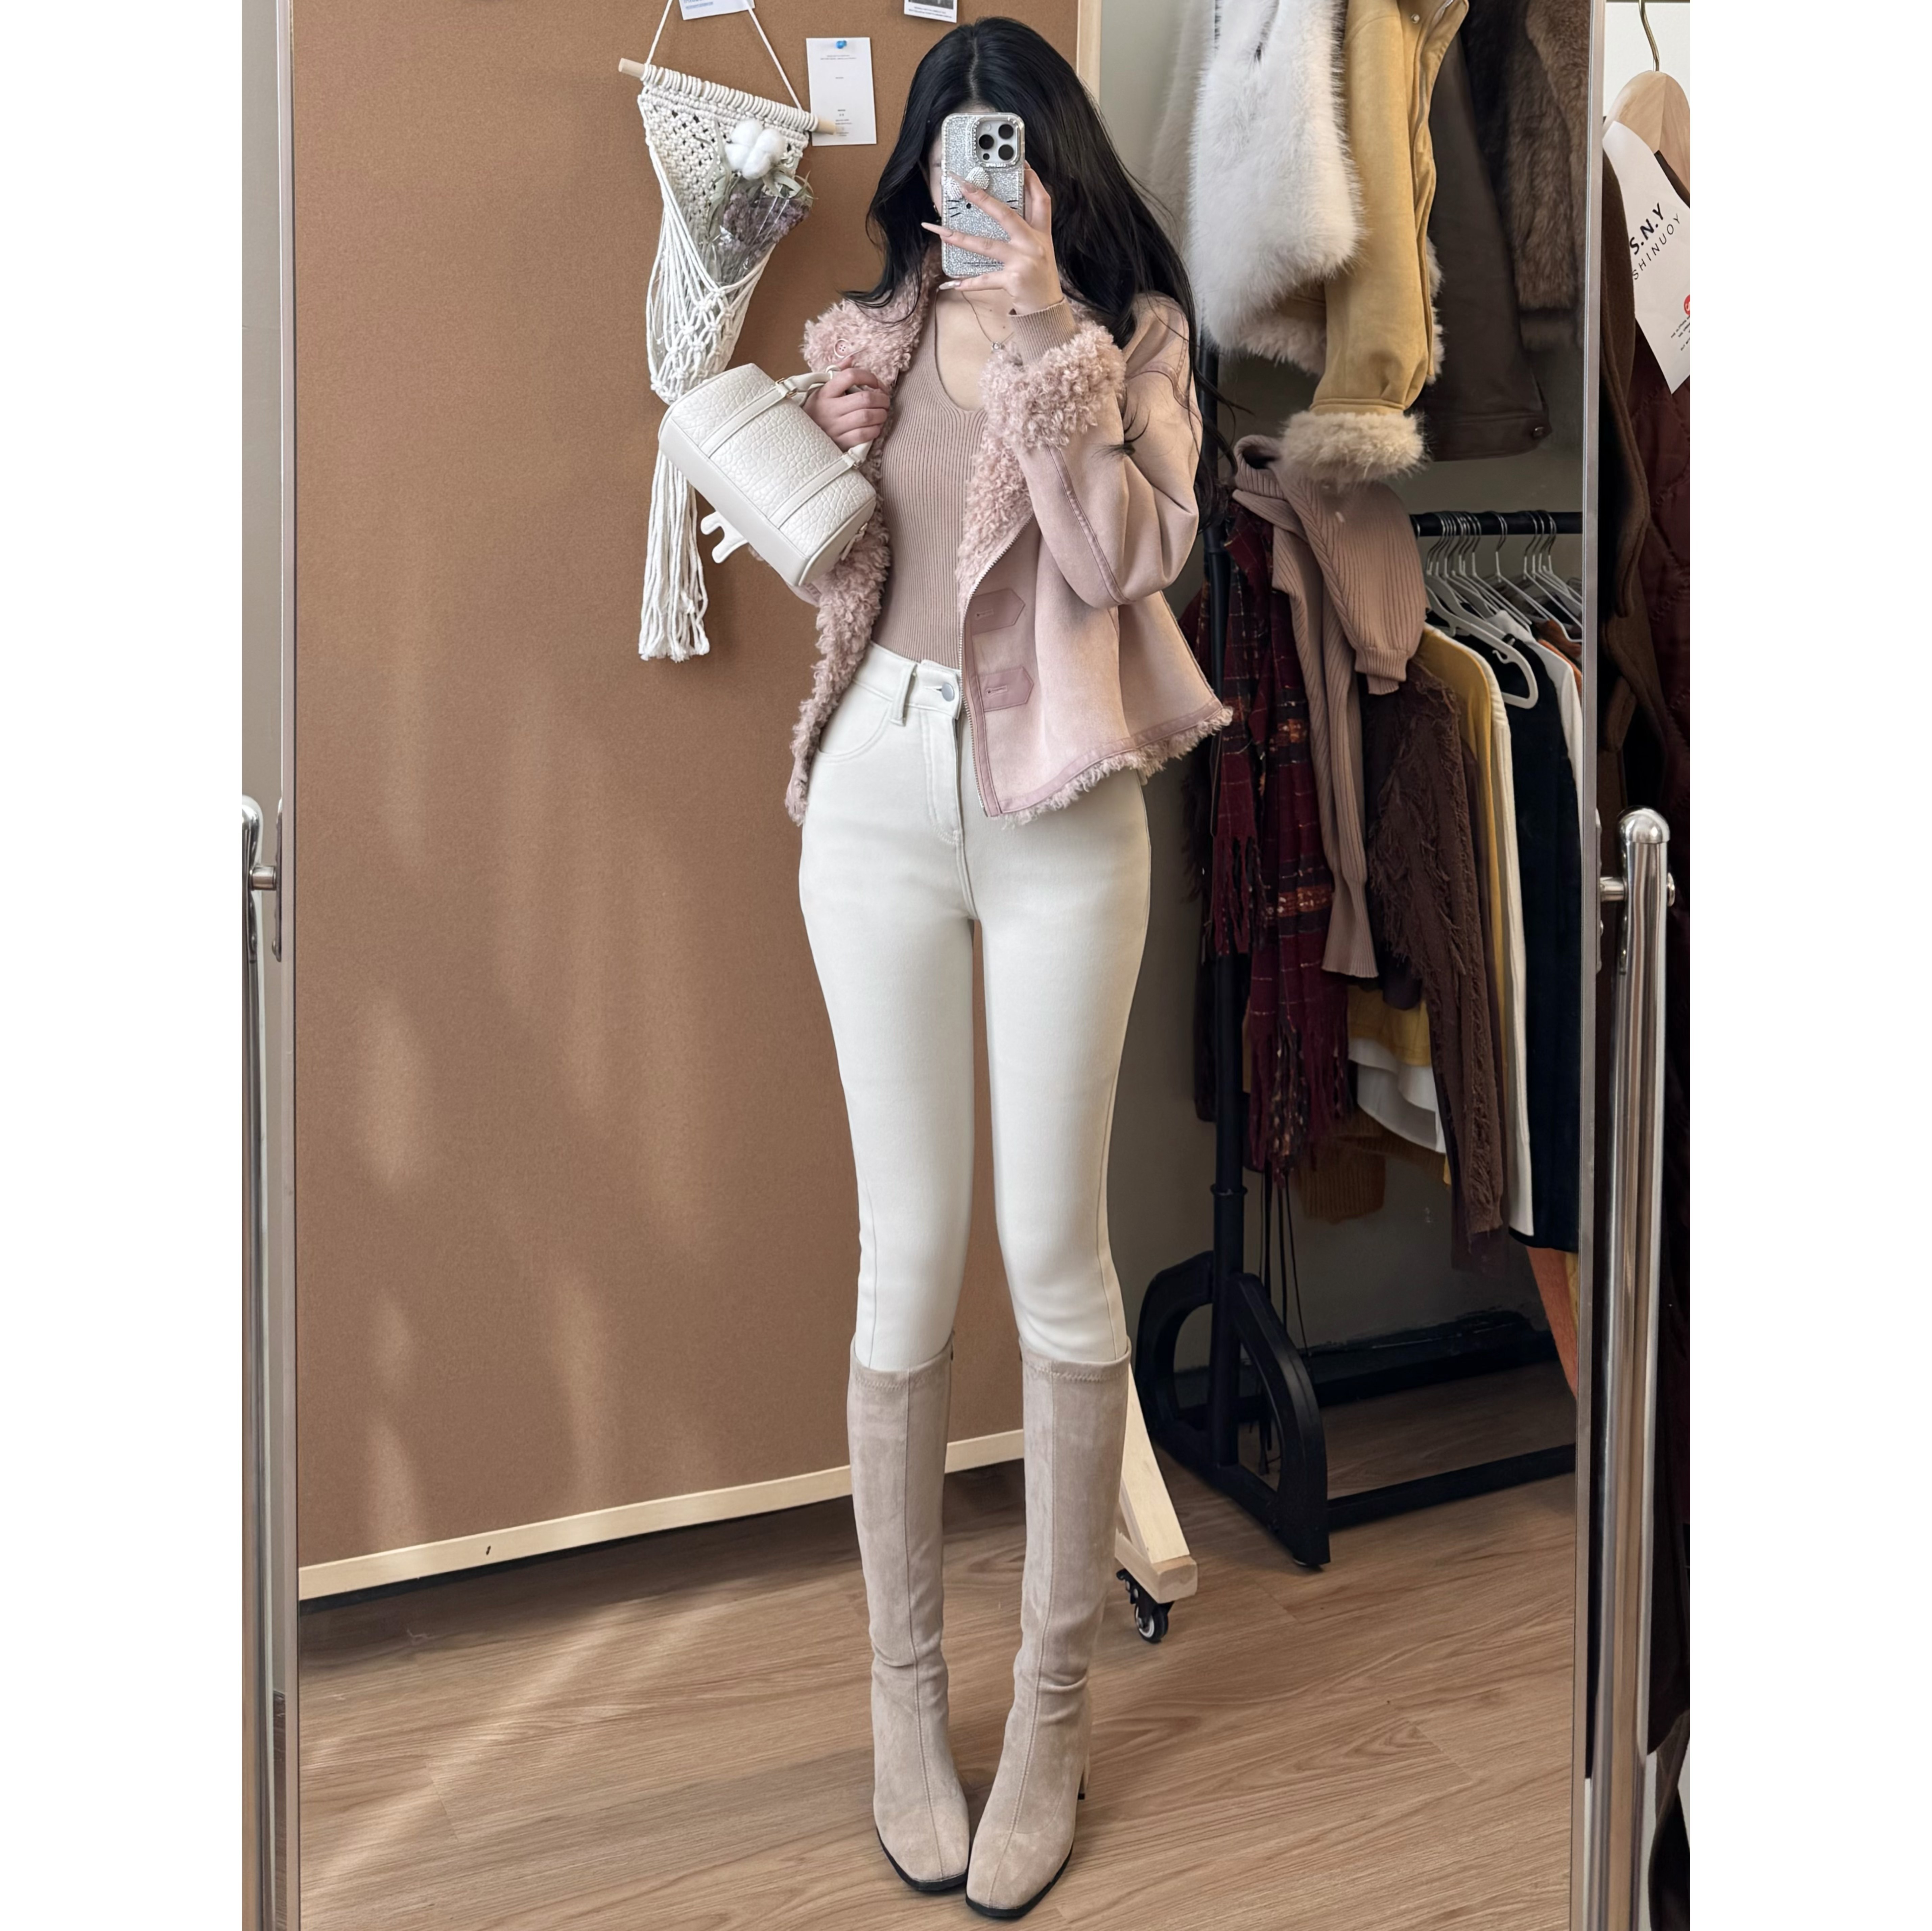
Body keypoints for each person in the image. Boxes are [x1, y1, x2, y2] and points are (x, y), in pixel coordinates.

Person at [786, 19, 1224, 1919]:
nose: (991, 180)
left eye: (1019, 147)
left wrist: (1051, 336)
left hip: (1061, 808)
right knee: (904, 1251)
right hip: (875, 796)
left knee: (1054, 1251)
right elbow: (839, 556)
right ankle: (905, 1705)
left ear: (1058, 161)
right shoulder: (875, 329)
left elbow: (1123, 564)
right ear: (925, 165)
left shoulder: (1135, 344)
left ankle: (1050, 1716)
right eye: (963, 149)